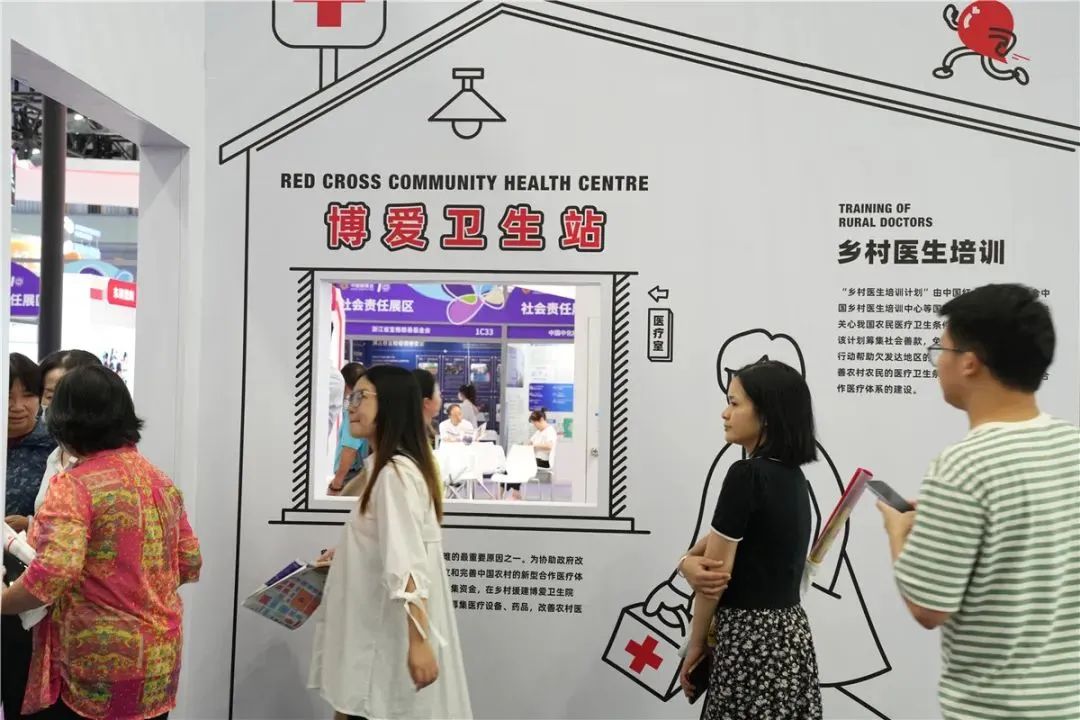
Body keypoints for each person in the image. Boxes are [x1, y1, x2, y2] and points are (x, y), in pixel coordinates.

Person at [878, 284, 1079, 720]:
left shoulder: (964, 465)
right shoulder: (1072, 444)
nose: (938, 362)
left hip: (995, 709)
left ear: (969, 362)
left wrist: (898, 533)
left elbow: (929, 607)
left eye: (942, 349)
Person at [1, 364, 202, 720]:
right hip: (158, 660)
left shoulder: (75, 485)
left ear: (62, 421)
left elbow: (51, 577)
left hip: (96, 665)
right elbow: (189, 561)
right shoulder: (160, 481)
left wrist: (3, 601)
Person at [308, 365, 471, 719]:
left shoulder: (395, 474)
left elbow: (407, 561)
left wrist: (418, 641)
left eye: (361, 397)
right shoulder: (392, 469)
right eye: (352, 397)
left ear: (391, 404)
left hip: (383, 642)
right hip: (374, 637)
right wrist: (346, 555)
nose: (352, 406)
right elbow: (390, 542)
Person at [678, 360, 822, 719]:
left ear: (767, 414)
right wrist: (685, 563)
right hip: (789, 636)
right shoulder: (793, 478)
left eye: (734, 403)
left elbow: (713, 575)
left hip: (748, 641)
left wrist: (696, 644)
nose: (725, 413)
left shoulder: (746, 475)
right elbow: (712, 545)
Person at [3, 353, 57, 720]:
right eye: (7, 395)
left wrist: (28, 522)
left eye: (28, 395)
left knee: (18, 684)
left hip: (26, 586)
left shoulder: (54, 448)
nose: (17, 406)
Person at [329, 363, 368, 496]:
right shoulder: (366, 410)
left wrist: (336, 484)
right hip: (356, 474)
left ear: (344, 384)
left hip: (349, 476)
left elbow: (350, 448)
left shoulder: (354, 411)